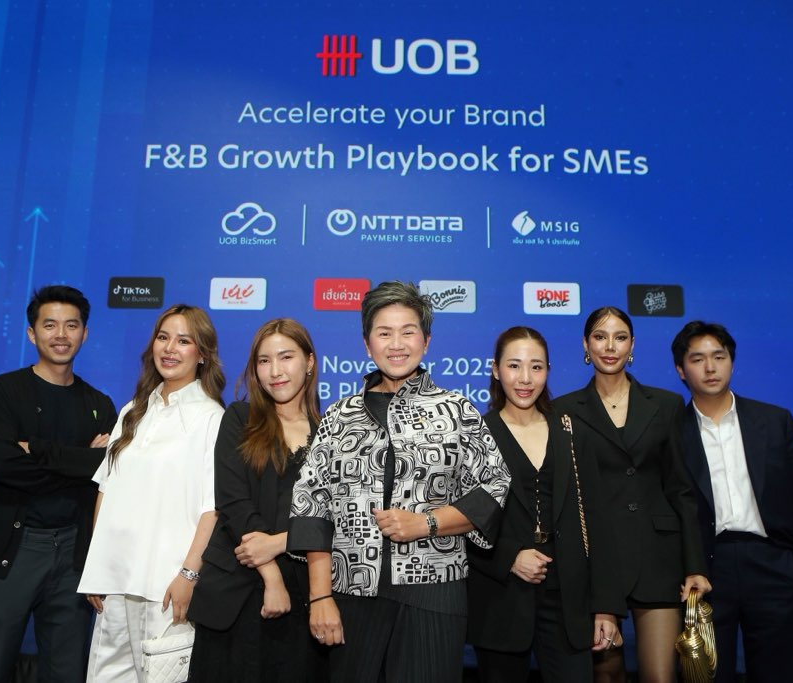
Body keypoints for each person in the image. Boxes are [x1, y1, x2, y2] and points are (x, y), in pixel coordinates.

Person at [287, 281, 511, 683]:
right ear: (366, 343)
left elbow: (494, 485)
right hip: (351, 594)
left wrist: (427, 523)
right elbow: (311, 504)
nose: (396, 344)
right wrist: (320, 596)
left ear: (426, 341)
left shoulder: (456, 410)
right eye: (384, 333)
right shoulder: (339, 416)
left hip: (435, 593)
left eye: (408, 332)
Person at [0, 285, 118, 682]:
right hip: (15, 548)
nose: (61, 335)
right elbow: (4, 467)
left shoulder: (99, 403)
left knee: (67, 671)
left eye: (72, 325)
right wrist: (81, 461)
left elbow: (108, 471)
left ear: (85, 333)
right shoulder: (3, 392)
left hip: (74, 553)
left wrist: (38, 451)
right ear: (32, 333)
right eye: (50, 325)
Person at [554, 306, 710, 683]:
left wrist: (695, 564)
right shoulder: (563, 411)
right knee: (606, 675)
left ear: (632, 345)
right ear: (586, 345)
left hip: (657, 556)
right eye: (600, 337)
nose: (610, 346)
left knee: (660, 676)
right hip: (595, 559)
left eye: (620, 337)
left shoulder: (666, 405)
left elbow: (682, 489)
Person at [671, 320, 793, 682]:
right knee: (708, 675)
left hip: (773, 563)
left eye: (719, 356)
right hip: (706, 569)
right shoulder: (671, 431)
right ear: (681, 370)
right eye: (698, 359)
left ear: (732, 362)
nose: (710, 367)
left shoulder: (774, 420)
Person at [468, 326, 625, 683]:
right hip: (501, 599)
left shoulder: (572, 432)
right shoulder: (476, 436)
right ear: (495, 370)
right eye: (514, 366)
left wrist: (606, 607)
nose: (525, 378)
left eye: (536, 367)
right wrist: (510, 557)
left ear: (548, 371)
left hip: (568, 597)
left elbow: (597, 521)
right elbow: (463, 522)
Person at [78, 304, 225, 681]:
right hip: (114, 583)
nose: (170, 348)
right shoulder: (132, 412)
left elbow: (213, 508)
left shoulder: (211, 418)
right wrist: (97, 569)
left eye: (184, 341)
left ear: (202, 354)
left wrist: (188, 575)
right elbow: (106, 491)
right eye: (163, 337)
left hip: (166, 586)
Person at [189, 318, 328, 682]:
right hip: (235, 596)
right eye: (264, 361)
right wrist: (272, 577)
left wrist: (281, 542)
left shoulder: (330, 433)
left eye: (286, 357)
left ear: (310, 361)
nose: (275, 371)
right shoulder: (240, 418)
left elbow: (334, 519)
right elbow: (233, 503)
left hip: (304, 598)